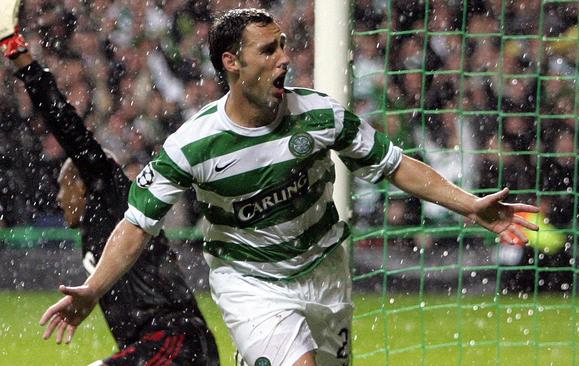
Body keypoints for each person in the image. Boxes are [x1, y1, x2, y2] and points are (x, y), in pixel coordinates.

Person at [39, 8, 540, 366]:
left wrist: (470, 206)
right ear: (232, 63)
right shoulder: (193, 145)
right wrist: (92, 290)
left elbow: (393, 165)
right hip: (251, 281)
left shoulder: (320, 114)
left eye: (283, 44)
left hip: (325, 271)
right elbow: (136, 225)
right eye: (269, 49)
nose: (285, 57)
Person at [1, 15, 220, 366]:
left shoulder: (112, 197)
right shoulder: (93, 228)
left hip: (175, 341)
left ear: (84, 186)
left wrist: (22, 61)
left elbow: (68, 127)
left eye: (63, 187)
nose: (59, 199)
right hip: (148, 348)